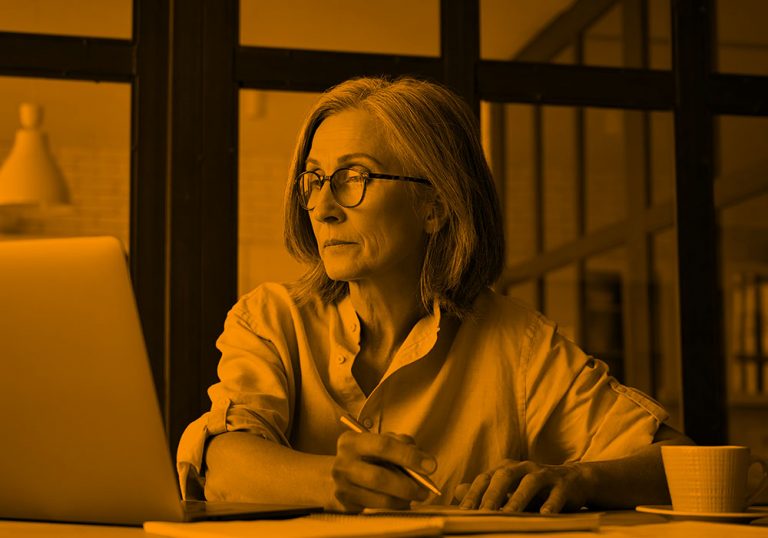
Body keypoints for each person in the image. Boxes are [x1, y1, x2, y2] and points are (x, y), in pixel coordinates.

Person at [177, 75, 691, 513]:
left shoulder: (521, 346)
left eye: (353, 177)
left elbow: (684, 462)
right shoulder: (270, 318)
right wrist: (331, 480)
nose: (323, 207)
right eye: (314, 179)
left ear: (436, 206)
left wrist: (580, 480)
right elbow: (222, 461)